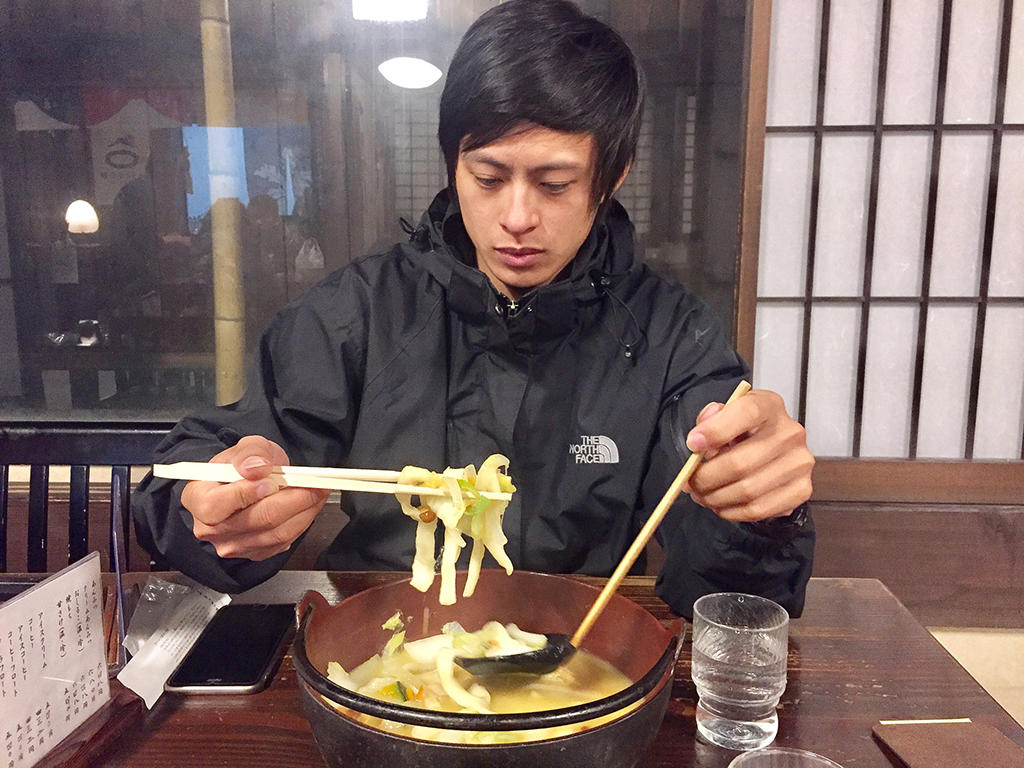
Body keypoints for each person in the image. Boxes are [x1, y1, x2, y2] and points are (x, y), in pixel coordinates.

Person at [132, 0, 815, 618]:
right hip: (385, 652)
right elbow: (195, 472)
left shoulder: (671, 337)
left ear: (612, 178)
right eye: (488, 178)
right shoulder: (363, 310)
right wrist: (219, 509)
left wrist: (763, 511)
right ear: (452, 163)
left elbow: (728, 594)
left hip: (572, 656)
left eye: (553, 184)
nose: (516, 218)